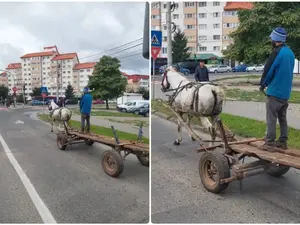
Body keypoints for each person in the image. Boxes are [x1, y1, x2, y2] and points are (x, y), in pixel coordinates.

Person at [259, 27, 295, 150]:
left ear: (275, 39)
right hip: (285, 93)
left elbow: (269, 70)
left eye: (272, 39)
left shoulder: (276, 52)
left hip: (275, 92)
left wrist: (263, 84)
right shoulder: (290, 53)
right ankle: (283, 142)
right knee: (282, 118)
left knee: (271, 118)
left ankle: (269, 143)